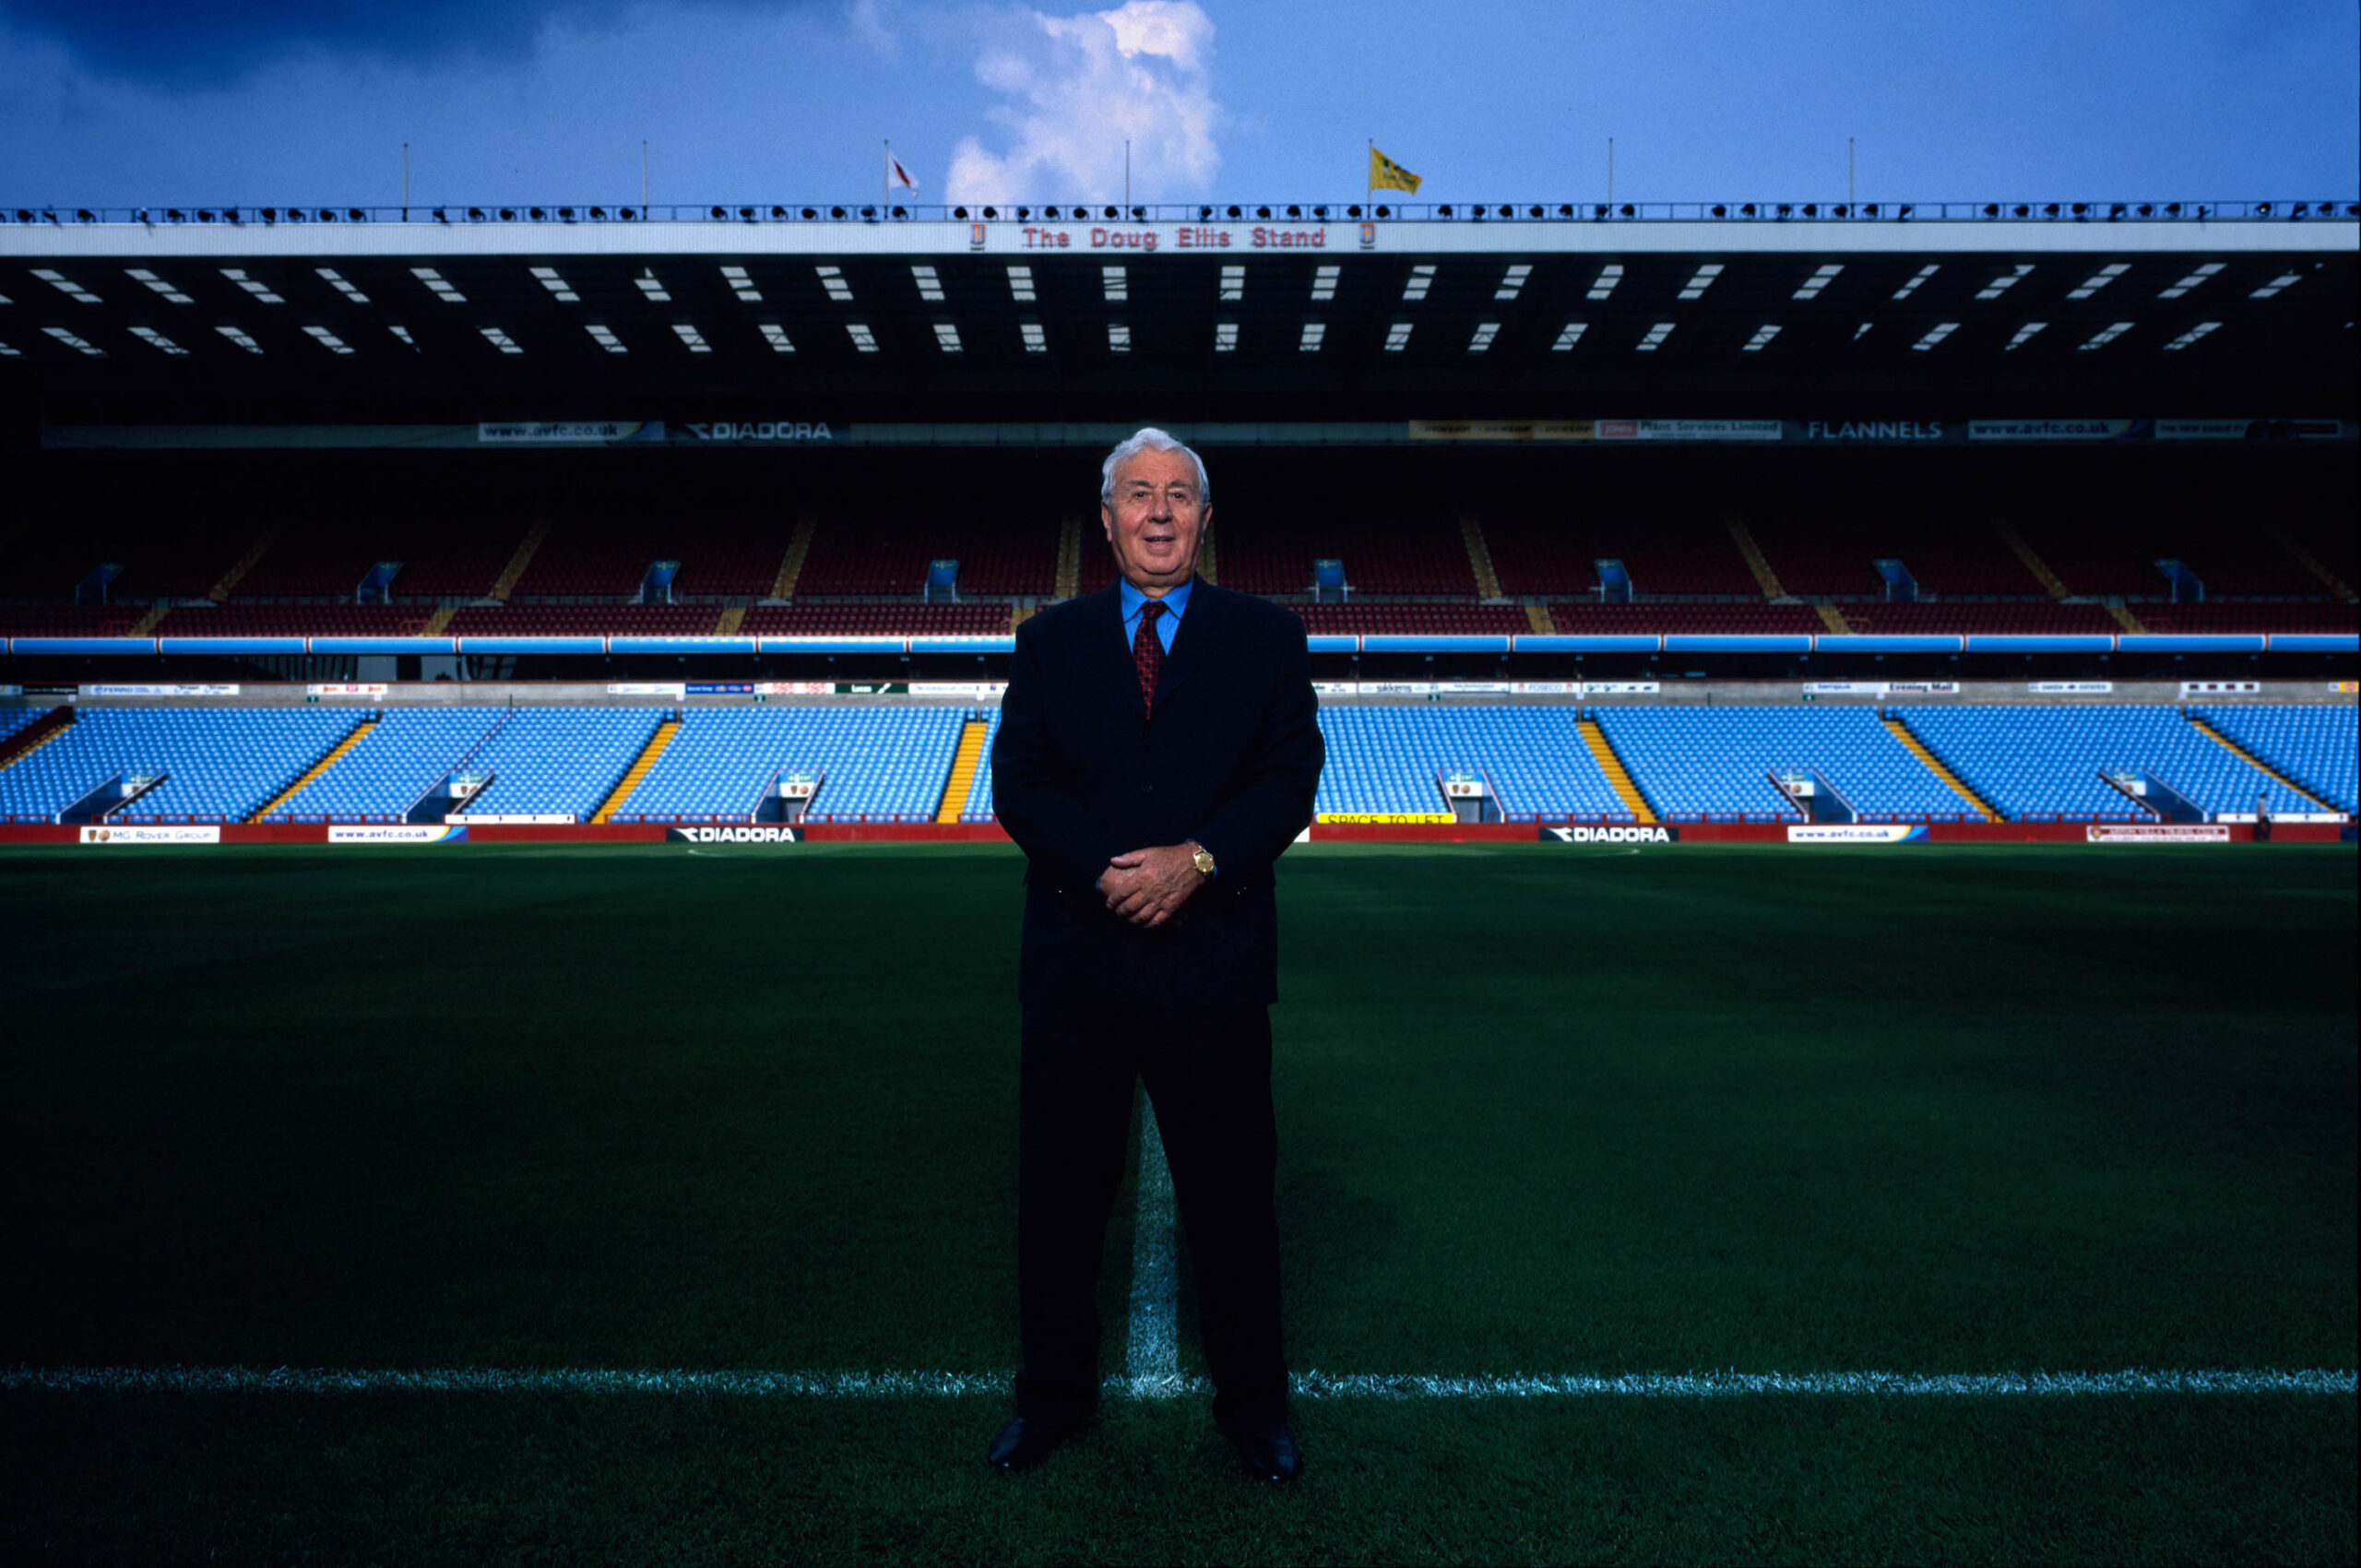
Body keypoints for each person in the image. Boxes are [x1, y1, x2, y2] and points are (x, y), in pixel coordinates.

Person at [985, 428, 1324, 1483]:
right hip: (1079, 966)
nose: (1161, 511)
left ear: (1207, 517)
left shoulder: (1267, 635)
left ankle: (1255, 1407)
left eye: (1180, 493)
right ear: (1106, 518)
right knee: (1060, 1198)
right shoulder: (1049, 640)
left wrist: (1199, 859)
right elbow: (1021, 785)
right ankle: (1051, 1398)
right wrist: (1114, 873)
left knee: (1231, 1198)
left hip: (1212, 964)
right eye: (1139, 493)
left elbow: (1288, 779)